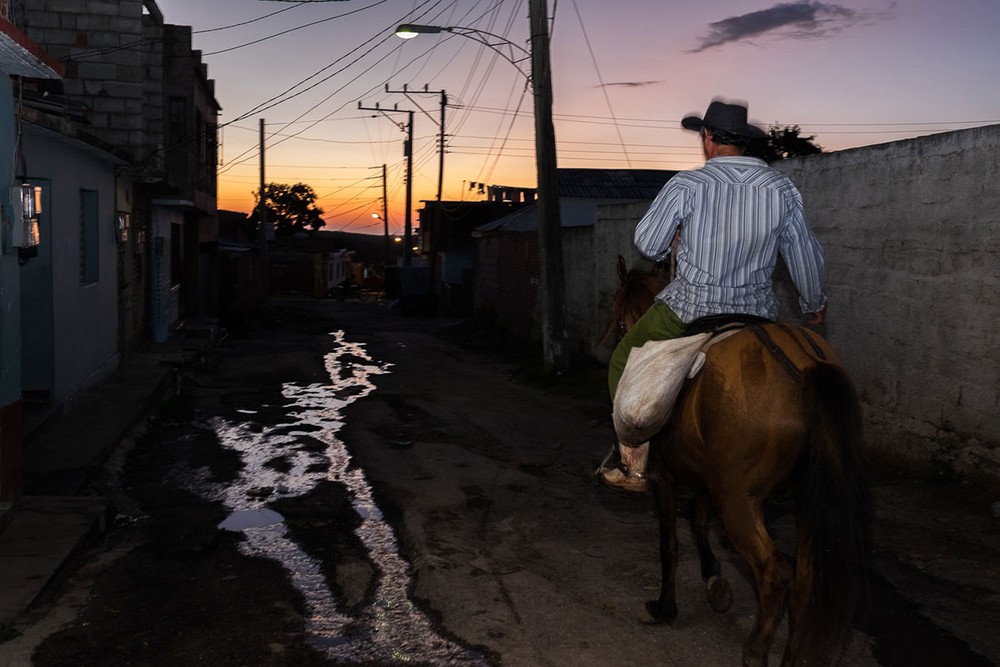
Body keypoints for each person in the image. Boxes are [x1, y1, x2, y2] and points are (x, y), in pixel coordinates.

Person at [600, 99, 828, 492]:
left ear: (707, 138)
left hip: (690, 308)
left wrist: (672, 236)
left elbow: (648, 245)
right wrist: (813, 304)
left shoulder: (688, 184)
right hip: (756, 312)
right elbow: (802, 252)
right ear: (743, 143)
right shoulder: (781, 188)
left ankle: (632, 461)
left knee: (623, 358)